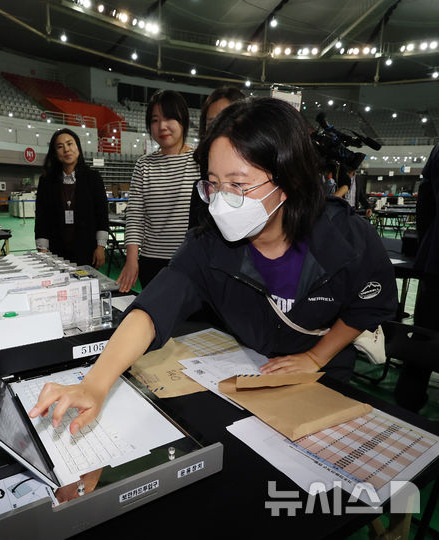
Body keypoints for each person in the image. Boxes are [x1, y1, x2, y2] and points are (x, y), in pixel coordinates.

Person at [29, 98, 397, 435]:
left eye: (238, 185)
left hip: (322, 374)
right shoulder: (209, 245)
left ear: (290, 181)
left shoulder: (346, 238)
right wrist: (96, 382)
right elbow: (153, 309)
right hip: (247, 370)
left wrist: (316, 356)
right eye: (214, 185)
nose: (221, 202)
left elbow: (370, 305)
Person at [117, 90, 199, 292]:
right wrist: (131, 259)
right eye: (155, 120)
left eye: (169, 117)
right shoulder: (143, 165)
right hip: (151, 262)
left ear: (183, 120)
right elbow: (135, 215)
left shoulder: (200, 161)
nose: (162, 126)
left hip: (191, 262)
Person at [394, 141, 439, 412]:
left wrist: (428, 244)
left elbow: (425, 205)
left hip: (436, 261)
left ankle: (406, 407)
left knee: (423, 340)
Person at [35, 128, 109, 267]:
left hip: (87, 251)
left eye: (70, 144)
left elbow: (102, 215)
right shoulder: (46, 181)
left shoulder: (93, 178)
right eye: (60, 146)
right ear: (55, 153)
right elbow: (42, 218)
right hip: (55, 252)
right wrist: (42, 251)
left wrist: (100, 247)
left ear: (78, 147)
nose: (66, 149)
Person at [188, 86, 246, 230]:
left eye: (227, 121)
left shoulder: (261, 183)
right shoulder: (202, 188)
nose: (219, 129)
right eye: (212, 124)